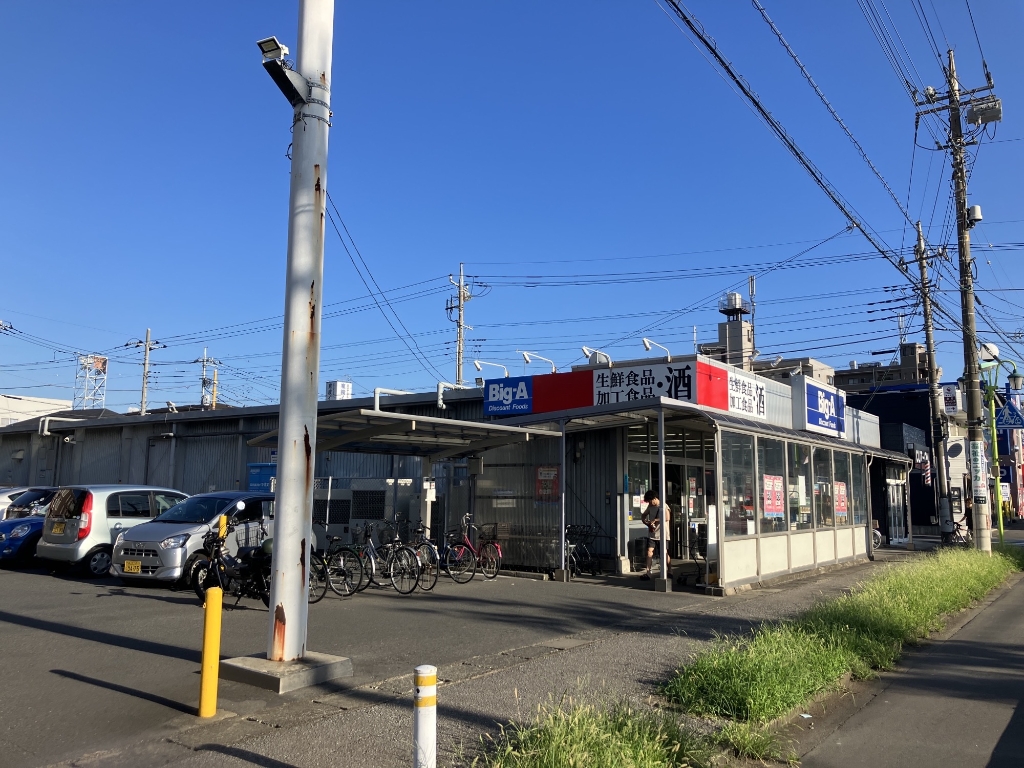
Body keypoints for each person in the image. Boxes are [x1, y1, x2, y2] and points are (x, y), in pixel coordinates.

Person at [639, 489, 670, 581]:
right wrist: (646, 523)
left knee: (664, 553)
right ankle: (648, 572)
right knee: (649, 552)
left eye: (650, 501)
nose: (650, 503)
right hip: (652, 534)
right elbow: (643, 515)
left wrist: (655, 520)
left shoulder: (664, 506)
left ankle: (670, 570)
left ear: (655, 498)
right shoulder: (650, 506)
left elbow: (667, 518)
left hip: (663, 534)